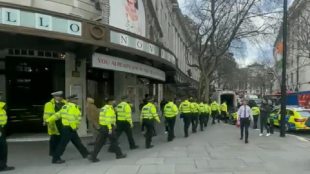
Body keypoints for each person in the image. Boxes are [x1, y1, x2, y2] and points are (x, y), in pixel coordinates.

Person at [47, 95, 89, 164]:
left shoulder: (65, 106)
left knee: (78, 142)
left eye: (76, 99)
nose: (77, 100)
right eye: (75, 99)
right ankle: (56, 158)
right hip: (69, 129)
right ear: (71, 100)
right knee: (62, 144)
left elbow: (57, 115)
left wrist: (49, 120)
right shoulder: (72, 107)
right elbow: (71, 118)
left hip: (67, 128)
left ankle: (86, 154)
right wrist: (74, 127)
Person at [89, 97, 126, 162]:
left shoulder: (103, 108)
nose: (114, 102)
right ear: (110, 102)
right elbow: (108, 119)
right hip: (108, 127)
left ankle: (93, 156)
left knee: (100, 143)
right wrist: (110, 129)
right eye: (113, 101)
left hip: (103, 127)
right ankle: (119, 155)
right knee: (114, 141)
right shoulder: (109, 109)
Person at [43, 91, 66, 157]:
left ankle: (56, 153)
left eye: (61, 96)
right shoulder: (49, 104)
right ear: (54, 97)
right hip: (53, 123)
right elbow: (46, 114)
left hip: (63, 123)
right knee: (53, 139)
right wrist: (46, 121)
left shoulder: (65, 103)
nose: (60, 97)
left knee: (60, 139)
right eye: (58, 96)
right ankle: (53, 153)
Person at [0, 94, 14, 172]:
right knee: (2, 148)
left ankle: (3, 165)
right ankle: (2, 166)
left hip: (2, 128)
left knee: (3, 148)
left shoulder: (2, 107)